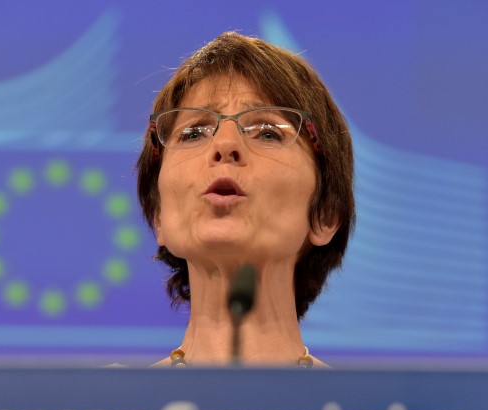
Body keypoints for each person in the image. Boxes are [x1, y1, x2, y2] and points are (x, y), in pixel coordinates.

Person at [136, 32, 354, 367]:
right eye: (194, 133)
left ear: (324, 214)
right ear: (160, 216)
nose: (225, 145)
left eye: (267, 132)